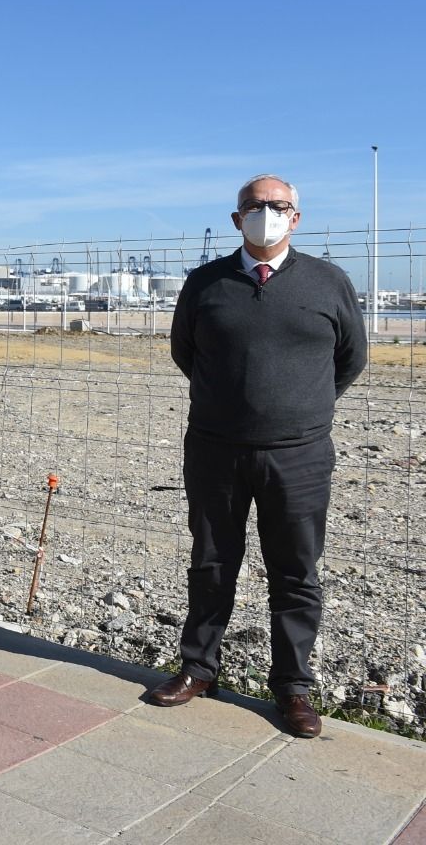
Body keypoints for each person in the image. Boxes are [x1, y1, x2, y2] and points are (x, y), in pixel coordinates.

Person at [146, 174, 365, 739]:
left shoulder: (329, 282)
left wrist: (298, 409)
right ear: (236, 218)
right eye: (255, 206)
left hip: (300, 456)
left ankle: (292, 687)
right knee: (212, 562)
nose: (266, 213)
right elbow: (185, 352)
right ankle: (198, 668)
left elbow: (350, 359)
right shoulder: (205, 283)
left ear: (296, 218)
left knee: (296, 572)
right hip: (216, 450)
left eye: (278, 206)